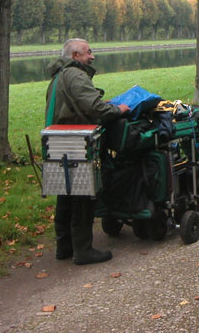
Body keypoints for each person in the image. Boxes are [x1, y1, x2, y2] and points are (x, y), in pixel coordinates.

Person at [45, 38, 130, 265]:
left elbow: (76, 104)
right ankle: (83, 251)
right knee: (83, 196)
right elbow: (94, 108)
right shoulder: (75, 74)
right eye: (88, 52)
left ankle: (64, 247)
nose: (92, 56)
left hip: (59, 139)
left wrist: (103, 102)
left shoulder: (59, 76)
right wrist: (118, 109)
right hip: (76, 141)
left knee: (65, 194)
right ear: (75, 56)